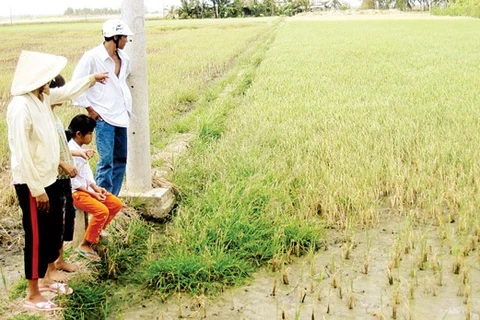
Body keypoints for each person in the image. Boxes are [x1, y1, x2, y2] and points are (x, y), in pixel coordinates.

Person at [7, 50, 108, 311]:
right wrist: (36, 188)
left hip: (49, 179)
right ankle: (32, 294)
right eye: (48, 78)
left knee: (51, 232)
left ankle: (44, 280)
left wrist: (92, 79)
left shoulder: (42, 98)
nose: (52, 83)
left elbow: (68, 90)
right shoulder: (21, 106)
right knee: (36, 236)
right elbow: (22, 152)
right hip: (33, 184)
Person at [72, 18, 134, 196]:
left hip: (121, 114)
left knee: (120, 159)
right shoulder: (92, 57)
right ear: (115, 37)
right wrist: (90, 109)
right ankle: (101, 198)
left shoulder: (125, 59)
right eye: (124, 37)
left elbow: (119, 84)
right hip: (103, 116)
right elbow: (76, 84)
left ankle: (111, 198)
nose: (126, 41)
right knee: (106, 160)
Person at [49, 75, 96, 273]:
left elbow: (61, 147)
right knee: (54, 223)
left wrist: (76, 153)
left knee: (64, 220)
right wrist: (64, 164)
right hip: (53, 177)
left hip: (62, 178)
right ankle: (51, 267)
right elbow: (45, 152)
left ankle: (60, 260)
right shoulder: (43, 118)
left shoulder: (54, 117)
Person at [67, 115, 123, 261]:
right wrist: (91, 192)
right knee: (102, 211)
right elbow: (73, 183)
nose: (92, 136)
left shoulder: (81, 148)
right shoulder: (70, 152)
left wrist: (96, 188)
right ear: (79, 134)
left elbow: (87, 174)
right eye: (90, 133)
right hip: (76, 192)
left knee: (115, 204)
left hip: (86, 189)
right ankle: (85, 244)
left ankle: (96, 232)